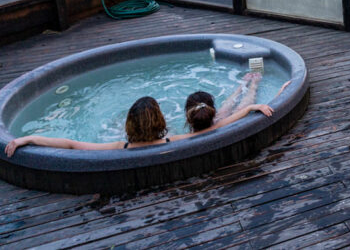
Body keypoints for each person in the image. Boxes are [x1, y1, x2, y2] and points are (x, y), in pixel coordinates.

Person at [5, 95, 273, 157]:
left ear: (129, 124)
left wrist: (27, 139)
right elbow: (217, 127)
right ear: (161, 121)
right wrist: (250, 107)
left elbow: (72, 144)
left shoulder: (118, 146)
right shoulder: (175, 141)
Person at [185, 72, 263, 132]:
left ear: (188, 118)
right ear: (214, 112)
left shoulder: (184, 138)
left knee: (224, 111)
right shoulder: (221, 124)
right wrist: (251, 107)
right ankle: (252, 84)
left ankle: (242, 86)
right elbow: (244, 110)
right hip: (222, 125)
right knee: (239, 109)